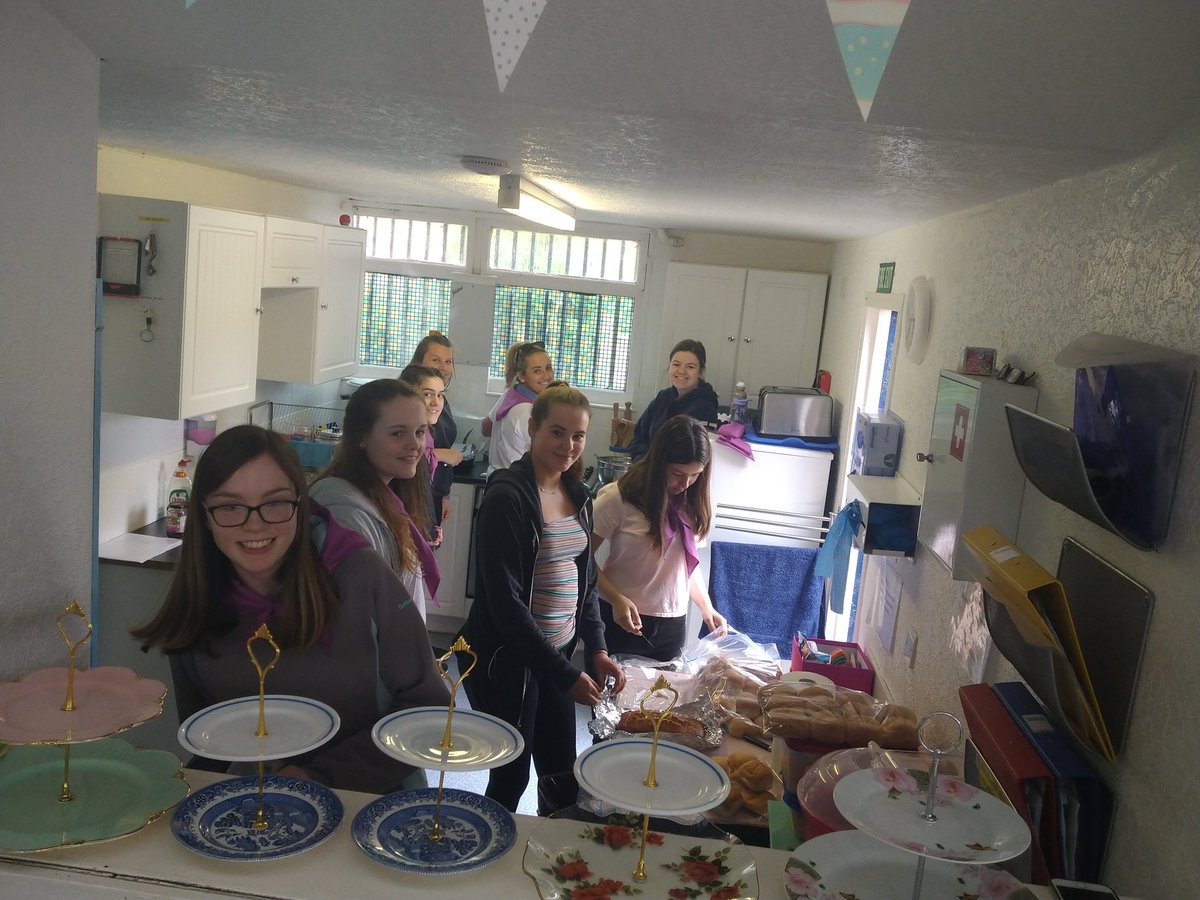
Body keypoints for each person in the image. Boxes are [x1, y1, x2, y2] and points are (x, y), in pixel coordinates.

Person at [132, 425, 449, 794]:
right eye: (231, 506)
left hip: (369, 806)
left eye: (276, 502)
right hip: (264, 811)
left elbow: (428, 707)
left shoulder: (359, 575)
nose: (255, 524)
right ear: (203, 515)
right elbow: (210, 739)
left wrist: (318, 777)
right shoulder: (195, 603)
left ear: (301, 506)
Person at [460, 381, 625, 811]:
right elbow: (504, 602)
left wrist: (598, 649)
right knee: (510, 774)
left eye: (578, 435)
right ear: (532, 428)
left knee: (561, 775)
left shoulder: (578, 496)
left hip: (557, 657)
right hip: (509, 663)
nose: (568, 445)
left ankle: (555, 862)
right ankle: (493, 860)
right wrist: (563, 673)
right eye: (557, 431)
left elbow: (584, 583)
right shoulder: (507, 498)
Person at [593, 415, 728, 663]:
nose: (685, 483)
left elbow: (686, 565)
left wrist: (707, 607)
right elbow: (581, 557)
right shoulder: (618, 498)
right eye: (678, 473)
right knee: (610, 698)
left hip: (672, 626)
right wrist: (616, 598)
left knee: (664, 698)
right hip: (620, 619)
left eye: (695, 474)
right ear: (659, 462)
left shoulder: (693, 504)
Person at [309, 379, 440, 620]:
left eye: (420, 432)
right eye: (398, 433)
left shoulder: (386, 495)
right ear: (361, 437)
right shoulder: (343, 513)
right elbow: (355, 618)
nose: (415, 445)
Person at [627, 339, 719, 461]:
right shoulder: (663, 397)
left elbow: (686, 455)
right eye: (676, 364)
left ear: (700, 372)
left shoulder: (705, 408)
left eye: (690, 367)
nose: (681, 371)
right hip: (646, 470)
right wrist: (641, 461)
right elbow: (639, 435)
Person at [409, 331, 462, 527]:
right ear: (418, 361)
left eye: (448, 361)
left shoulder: (439, 401)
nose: (443, 367)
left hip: (433, 492)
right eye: (436, 360)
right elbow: (401, 453)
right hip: (412, 495)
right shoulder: (407, 405)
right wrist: (440, 454)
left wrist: (444, 494)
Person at [399, 363, 448, 546]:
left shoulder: (427, 433)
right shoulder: (405, 447)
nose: (436, 402)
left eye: (440, 395)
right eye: (427, 394)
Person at [487, 341, 555, 470]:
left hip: (498, 476)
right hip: (515, 482)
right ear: (522, 376)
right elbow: (546, 456)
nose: (546, 376)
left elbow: (486, 427)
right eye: (537, 371)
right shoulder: (527, 411)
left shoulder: (511, 394)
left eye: (548, 368)